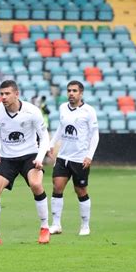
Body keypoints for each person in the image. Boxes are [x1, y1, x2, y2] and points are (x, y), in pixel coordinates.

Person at [0, 80, 50, 246]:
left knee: (35, 184)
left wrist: (40, 158)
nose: (3, 97)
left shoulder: (32, 111)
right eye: (1, 94)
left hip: (30, 155)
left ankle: (45, 227)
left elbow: (44, 137)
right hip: (7, 158)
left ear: (16, 94)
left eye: (7, 94)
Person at [48, 80, 99, 236]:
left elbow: (95, 135)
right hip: (63, 157)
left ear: (81, 93)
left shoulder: (89, 111)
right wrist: (51, 144)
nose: (71, 93)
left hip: (80, 159)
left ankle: (85, 225)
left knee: (81, 190)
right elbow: (60, 127)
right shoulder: (63, 108)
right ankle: (56, 225)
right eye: (69, 90)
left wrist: (89, 156)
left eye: (74, 91)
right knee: (57, 187)